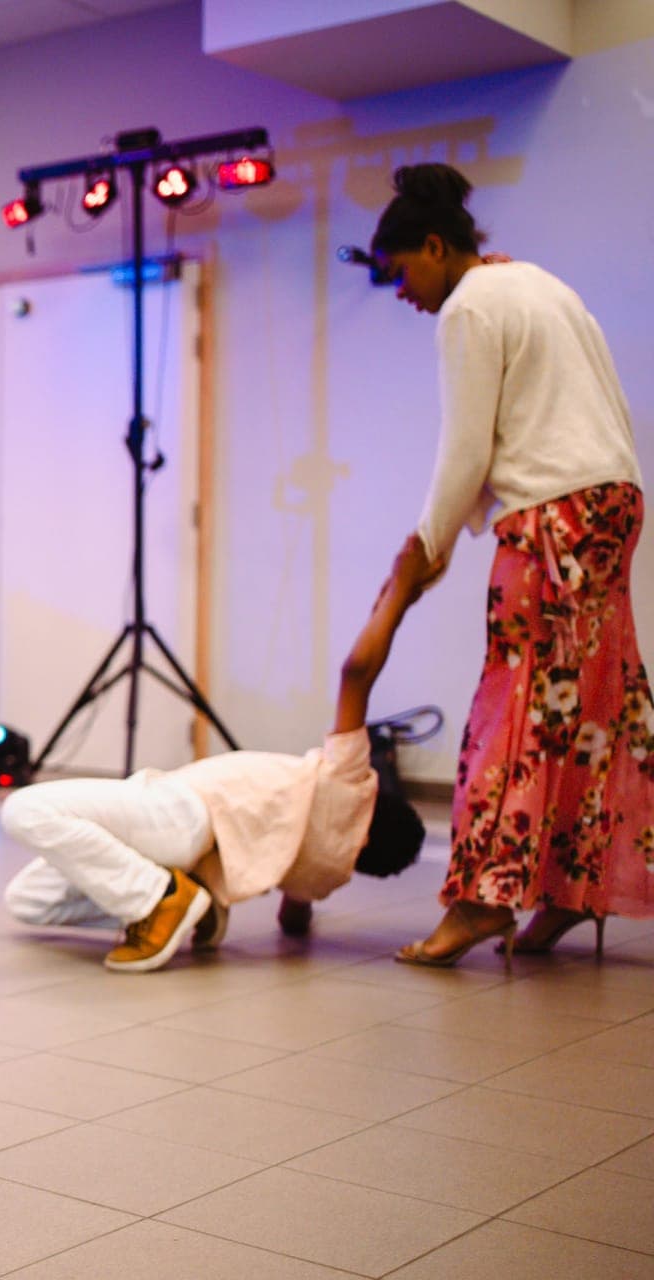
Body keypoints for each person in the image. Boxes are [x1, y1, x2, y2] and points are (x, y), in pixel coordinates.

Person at [371, 164, 653, 968]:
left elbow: (467, 445)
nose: (402, 293)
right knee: (591, 708)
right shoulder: (540, 285)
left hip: (553, 516)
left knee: (517, 706)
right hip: (614, 502)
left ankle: (481, 900)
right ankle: (573, 891)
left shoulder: (467, 307)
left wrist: (425, 544)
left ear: (434, 245)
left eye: (401, 273)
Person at [2, 537, 430, 972]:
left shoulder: (351, 784)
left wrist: (398, 593)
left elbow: (356, 673)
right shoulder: (326, 875)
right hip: (187, 849)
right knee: (28, 900)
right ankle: (196, 905)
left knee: (25, 809)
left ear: (377, 807)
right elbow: (293, 918)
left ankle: (160, 899)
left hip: (184, 813)